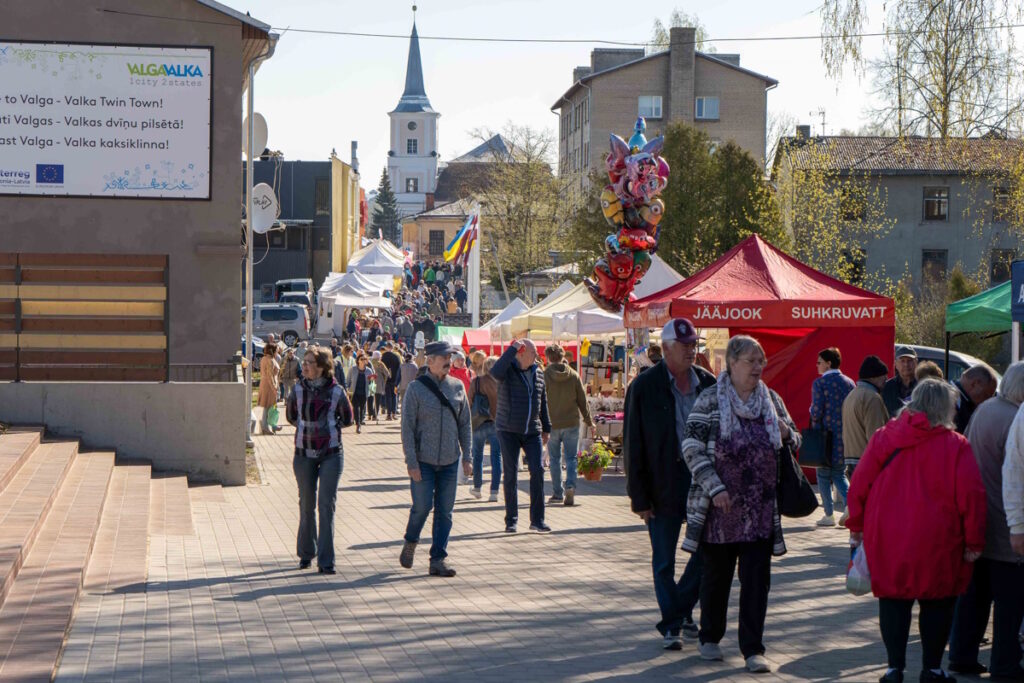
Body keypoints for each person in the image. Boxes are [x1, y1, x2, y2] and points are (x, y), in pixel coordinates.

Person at [846, 379, 986, 683]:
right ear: (945, 408)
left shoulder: (885, 437)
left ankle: (894, 668)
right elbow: (972, 497)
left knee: (893, 602)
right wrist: (974, 541)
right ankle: (932, 669)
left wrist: (856, 526)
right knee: (938, 603)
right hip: (939, 540)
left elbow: (859, 485)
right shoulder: (956, 445)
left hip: (887, 536)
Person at [681, 335, 801, 674]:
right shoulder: (710, 400)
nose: (758, 367)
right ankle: (710, 637)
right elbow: (690, 446)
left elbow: (796, 437)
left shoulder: (771, 400)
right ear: (731, 363)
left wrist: (786, 432)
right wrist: (715, 487)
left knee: (756, 582)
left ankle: (753, 648)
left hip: (760, 511)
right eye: (751, 361)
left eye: (760, 361)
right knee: (715, 579)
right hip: (720, 510)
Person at [625, 318, 717, 649]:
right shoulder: (644, 386)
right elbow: (633, 443)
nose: (692, 351)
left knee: (706, 553)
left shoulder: (707, 383)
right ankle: (673, 623)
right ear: (665, 349)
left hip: (702, 485)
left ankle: (676, 613)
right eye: (685, 345)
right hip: (661, 485)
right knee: (663, 560)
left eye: (694, 344)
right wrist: (639, 497)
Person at [948, 363, 1024, 680]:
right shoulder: (1012, 418)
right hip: (1005, 525)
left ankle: (962, 656)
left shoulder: (986, 408)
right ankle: (1005, 665)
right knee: (1009, 604)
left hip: (978, 521)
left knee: (974, 598)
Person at [399, 341, 473, 577]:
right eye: (444, 357)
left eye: (450, 356)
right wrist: (411, 461)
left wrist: (467, 457)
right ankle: (411, 542)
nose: (448, 362)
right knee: (421, 507)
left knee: (445, 511)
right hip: (423, 461)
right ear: (429, 360)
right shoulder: (416, 389)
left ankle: (438, 559)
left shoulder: (458, 386)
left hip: (450, 461)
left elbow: (465, 425)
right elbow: (407, 428)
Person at [286, 346, 354, 574]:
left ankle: (326, 561)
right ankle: (306, 553)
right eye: (303, 362)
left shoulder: (337, 392)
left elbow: (347, 419)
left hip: (331, 455)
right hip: (303, 454)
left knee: (326, 506)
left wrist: (327, 431)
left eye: (309, 363)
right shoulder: (297, 390)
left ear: (323, 368)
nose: (303, 366)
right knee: (306, 504)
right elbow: (291, 417)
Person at [490, 338, 552, 533]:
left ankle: (537, 520)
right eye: (533, 353)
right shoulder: (507, 370)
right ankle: (511, 520)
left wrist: (547, 428)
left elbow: (543, 402)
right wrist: (512, 348)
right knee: (510, 474)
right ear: (522, 353)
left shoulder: (538, 374)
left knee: (538, 470)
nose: (537, 357)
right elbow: (494, 372)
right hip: (508, 429)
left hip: (532, 430)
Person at [543, 344, 594, 507]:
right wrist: (589, 420)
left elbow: (539, 400)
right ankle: (570, 485)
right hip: (571, 422)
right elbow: (582, 401)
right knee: (571, 457)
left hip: (551, 423)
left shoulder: (544, 375)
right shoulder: (573, 375)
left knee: (555, 458)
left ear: (548, 357)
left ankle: (557, 493)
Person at [810, 347, 856, 527]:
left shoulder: (819, 384)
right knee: (838, 473)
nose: (817, 365)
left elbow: (816, 412)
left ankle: (829, 515)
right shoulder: (850, 382)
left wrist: (811, 412)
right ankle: (851, 505)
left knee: (822, 474)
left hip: (824, 436)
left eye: (819, 362)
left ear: (828, 363)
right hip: (845, 436)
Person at [842, 355, 891, 479]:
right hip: (867, 463)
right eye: (883, 375)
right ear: (873, 377)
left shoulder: (852, 395)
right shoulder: (872, 398)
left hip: (852, 461)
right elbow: (876, 437)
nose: (886, 378)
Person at [468, 356, 501, 501]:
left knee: (478, 456)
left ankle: (477, 487)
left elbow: (468, 402)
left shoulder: (476, 382)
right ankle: (494, 491)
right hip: (497, 423)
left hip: (478, 422)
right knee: (496, 457)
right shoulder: (502, 383)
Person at [953, 364, 999, 434]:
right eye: (986, 395)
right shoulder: (949, 400)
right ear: (975, 384)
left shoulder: (962, 401)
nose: (986, 401)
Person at [882, 346, 918, 417]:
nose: (906, 364)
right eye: (902, 361)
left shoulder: (923, 386)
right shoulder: (887, 387)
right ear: (895, 364)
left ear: (916, 362)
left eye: (909, 360)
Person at [258, 334, 281, 434]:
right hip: (269, 385)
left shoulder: (264, 359)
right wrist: (274, 388)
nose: (277, 352)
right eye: (276, 350)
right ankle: (265, 427)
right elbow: (270, 376)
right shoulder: (270, 360)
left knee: (270, 406)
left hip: (265, 384)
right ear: (273, 351)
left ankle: (272, 425)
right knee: (268, 406)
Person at [346, 354, 373, 434]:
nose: (363, 360)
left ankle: (359, 422)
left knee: (362, 408)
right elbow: (348, 380)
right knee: (356, 407)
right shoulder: (353, 369)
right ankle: (358, 424)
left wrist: (372, 380)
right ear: (358, 360)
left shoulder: (369, 370)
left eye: (365, 359)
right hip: (354, 392)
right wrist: (346, 389)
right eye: (362, 359)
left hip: (364, 392)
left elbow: (371, 383)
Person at [381, 343, 402, 420]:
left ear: (386, 348)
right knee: (394, 397)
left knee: (388, 397)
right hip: (394, 380)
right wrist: (398, 381)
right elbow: (399, 370)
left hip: (386, 380)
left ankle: (388, 414)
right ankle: (394, 413)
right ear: (392, 348)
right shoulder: (396, 357)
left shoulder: (383, 356)